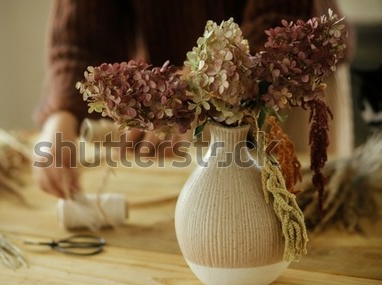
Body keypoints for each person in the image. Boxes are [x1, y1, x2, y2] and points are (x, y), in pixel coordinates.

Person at [33, 0, 353, 199]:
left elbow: (277, 21)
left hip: (288, 82)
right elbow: (81, 32)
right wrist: (61, 116)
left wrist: (183, 96)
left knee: (295, 208)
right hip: (175, 87)